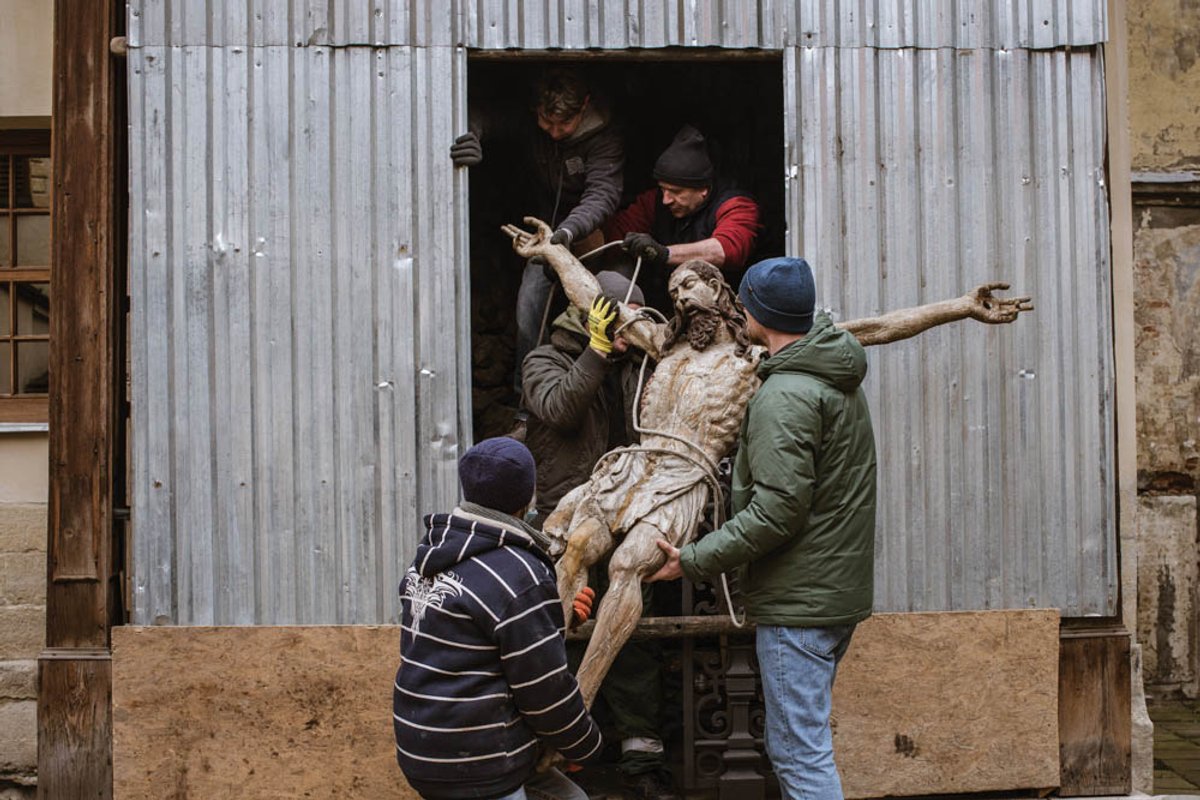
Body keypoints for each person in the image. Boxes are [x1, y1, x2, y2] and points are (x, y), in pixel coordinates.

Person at [647, 257, 876, 799]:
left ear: (759, 314)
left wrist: (692, 559)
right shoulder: (831, 374)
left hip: (800, 606)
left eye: (745, 302)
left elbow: (777, 512)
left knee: (799, 756)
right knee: (801, 744)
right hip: (828, 595)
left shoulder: (786, 396)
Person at [521, 271, 679, 799]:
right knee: (560, 636)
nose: (631, 326)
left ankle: (641, 758)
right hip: (566, 525)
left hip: (629, 518)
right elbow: (560, 410)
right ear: (594, 313)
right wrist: (596, 350)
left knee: (629, 637)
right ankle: (557, 758)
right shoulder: (543, 360)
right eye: (621, 315)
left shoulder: (640, 365)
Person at [392, 437, 603, 800]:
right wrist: (585, 747)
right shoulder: (520, 573)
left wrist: (555, 616)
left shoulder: (431, 555)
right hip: (479, 762)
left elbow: (471, 643)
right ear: (528, 498)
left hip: (421, 749)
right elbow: (545, 691)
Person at [451, 68, 625, 401]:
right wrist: (471, 133)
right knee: (529, 309)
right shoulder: (530, 120)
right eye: (547, 122)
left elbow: (602, 194)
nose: (555, 133)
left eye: (564, 124)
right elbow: (487, 115)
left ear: (584, 106)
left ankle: (602, 399)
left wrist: (568, 232)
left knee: (601, 312)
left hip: (589, 232)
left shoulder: (605, 135)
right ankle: (528, 400)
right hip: (545, 233)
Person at [603, 124, 760, 312]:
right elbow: (613, 234)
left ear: (703, 190)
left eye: (675, 192)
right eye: (663, 189)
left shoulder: (736, 205)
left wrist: (663, 253)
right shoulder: (654, 202)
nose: (666, 200)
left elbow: (727, 249)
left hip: (727, 310)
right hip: (667, 306)